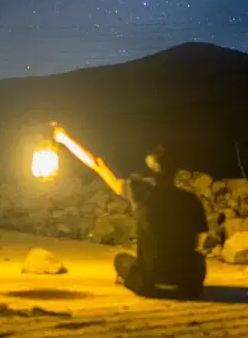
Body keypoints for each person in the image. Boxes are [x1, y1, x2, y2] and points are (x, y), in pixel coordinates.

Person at [51, 124, 208, 299]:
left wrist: (65, 139)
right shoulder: (191, 200)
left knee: (121, 260)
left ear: (152, 168)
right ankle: (177, 282)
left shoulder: (139, 192)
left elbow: (97, 166)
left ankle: (138, 280)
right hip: (186, 287)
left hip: (150, 285)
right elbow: (199, 243)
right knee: (197, 258)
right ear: (176, 170)